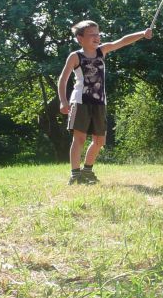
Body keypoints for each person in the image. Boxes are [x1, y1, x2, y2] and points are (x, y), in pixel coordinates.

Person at [57, 20, 153, 185]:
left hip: (100, 103)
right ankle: (75, 175)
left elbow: (122, 41)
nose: (96, 37)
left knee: (99, 141)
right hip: (80, 101)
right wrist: (63, 101)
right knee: (79, 139)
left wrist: (142, 34)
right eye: (91, 34)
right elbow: (63, 79)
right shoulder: (75, 56)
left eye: (98, 34)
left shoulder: (102, 51)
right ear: (80, 38)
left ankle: (87, 171)